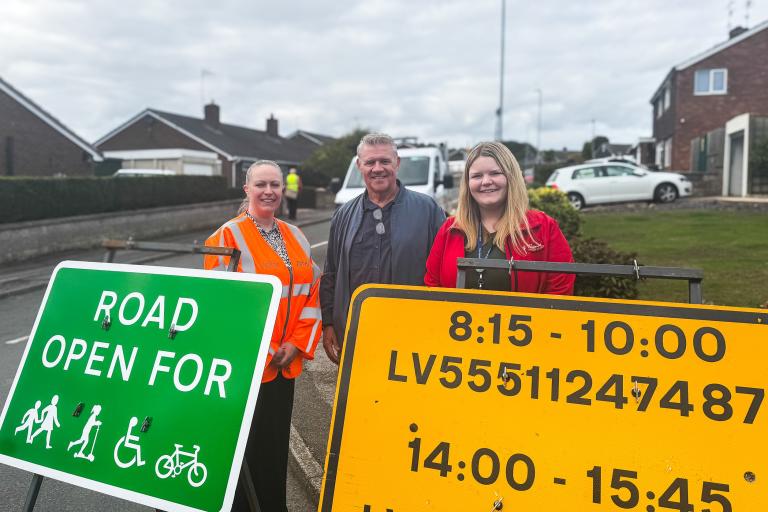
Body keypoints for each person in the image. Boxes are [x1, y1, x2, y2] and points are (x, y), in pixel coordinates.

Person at [204, 160, 321, 512]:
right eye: (261, 185)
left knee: (273, 447)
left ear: (283, 189)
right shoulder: (226, 237)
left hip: (285, 364)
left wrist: (296, 344)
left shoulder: (296, 236)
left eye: (275, 184)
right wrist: (264, 348)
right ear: (247, 189)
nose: (268, 191)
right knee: (242, 452)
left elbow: (312, 294)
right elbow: (219, 306)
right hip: (246, 366)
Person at [320, 133, 446, 364]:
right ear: (360, 166)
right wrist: (328, 323)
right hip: (357, 331)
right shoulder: (343, 215)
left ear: (397, 163)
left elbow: (443, 271)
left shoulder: (428, 209)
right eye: (370, 162)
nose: (378, 168)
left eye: (385, 161)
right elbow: (331, 272)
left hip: (412, 333)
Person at [425, 141, 575, 294]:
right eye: (477, 176)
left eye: (495, 173)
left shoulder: (543, 227)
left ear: (511, 177)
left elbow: (560, 288)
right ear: (467, 184)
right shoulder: (450, 229)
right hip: (461, 318)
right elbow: (433, 283)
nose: (486, 181)